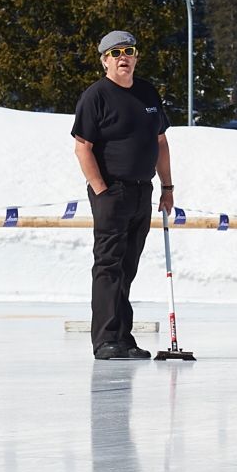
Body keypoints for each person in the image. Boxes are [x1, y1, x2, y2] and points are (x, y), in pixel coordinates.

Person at [72, 30, 174, 359]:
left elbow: (160, 142)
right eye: (115, 54)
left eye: (128, 51)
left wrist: (167, 187)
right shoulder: (96, 96)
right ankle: (104, 340)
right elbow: (82, 147)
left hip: (142, 191)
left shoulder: (147, 93)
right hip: (111, 191)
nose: (123, 58)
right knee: (108, 265)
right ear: (104, 61)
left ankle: (123, 338)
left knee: (127, 266)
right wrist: (101, 189)